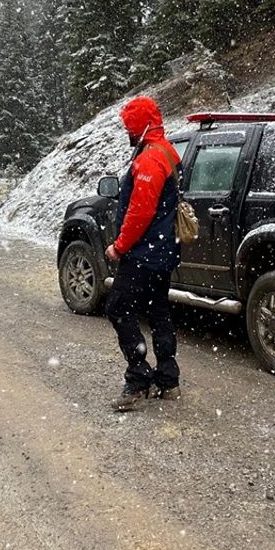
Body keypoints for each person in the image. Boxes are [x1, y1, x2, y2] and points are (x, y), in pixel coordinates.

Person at [105, 95, 182, 411]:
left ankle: (138, 377)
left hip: (144, 254)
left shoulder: (150, 159)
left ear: (139, 126)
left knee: (118, 307)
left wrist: (119, 246)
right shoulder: (166, 151)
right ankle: (168, 378)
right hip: (163, 250)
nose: (127, 132)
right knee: (157, 309)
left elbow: (140, 212)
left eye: (129, 126)